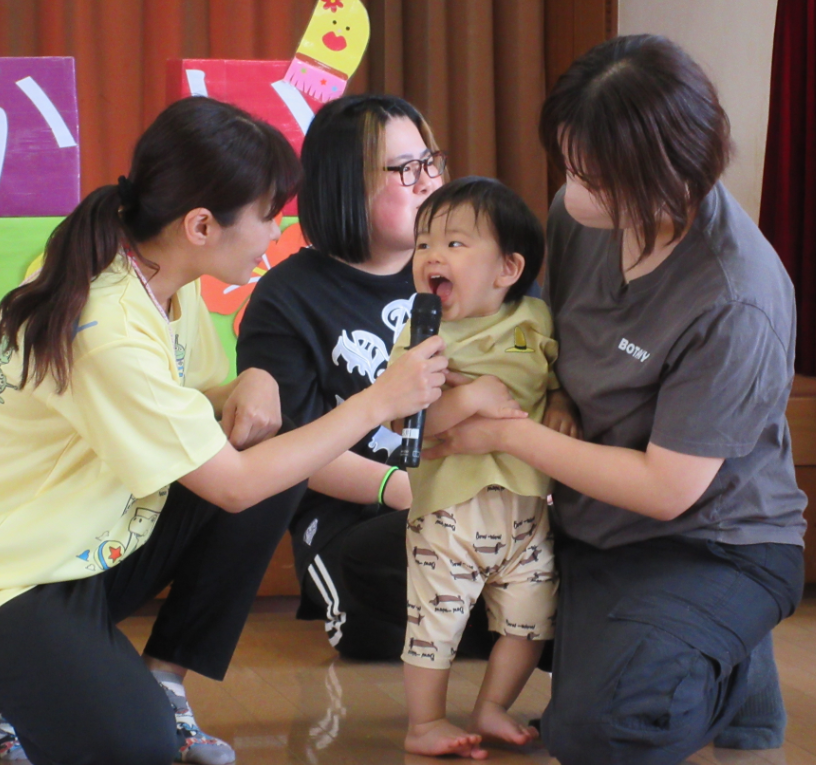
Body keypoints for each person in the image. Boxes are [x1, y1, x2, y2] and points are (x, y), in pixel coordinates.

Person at [0, 96, 446, 765]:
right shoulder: (106, 320)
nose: (277, 231)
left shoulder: (166, 277)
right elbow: (233, 486)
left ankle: (162, 678)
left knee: (275, 450)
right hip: (24, 570)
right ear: (202, 224)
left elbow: (202, 402)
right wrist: (380, 402)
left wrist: (250, 381)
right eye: (268, 215)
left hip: (92, 540)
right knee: (136, 749)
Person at [424, 35, 807, 765]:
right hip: (587, 518)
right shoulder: (582, 218)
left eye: (591, 173)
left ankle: (727, 662)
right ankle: (658, 643)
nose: (571, 187)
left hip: (710, 543)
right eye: (568, 163)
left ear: (665, 172)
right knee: (398, 567)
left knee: (600, 730)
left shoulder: (735, 296)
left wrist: (503, 431)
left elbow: (666, 490)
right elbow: (550, 337)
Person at [238, 94, 457, 660]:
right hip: (355, 523)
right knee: (396, 582)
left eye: (430, 161)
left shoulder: (476, 268)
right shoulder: (287, 297)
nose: (427, 180)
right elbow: (294, 448)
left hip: (472, 501)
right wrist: (406, 491)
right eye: (405, 169)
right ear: (345, 185)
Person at [390, 177, 579, 759]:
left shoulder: (536, 321)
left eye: (454, 243)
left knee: (531, 621)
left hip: (527, 511)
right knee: (434, 627)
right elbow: (404, 423)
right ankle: (423, 722)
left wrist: (564, 405)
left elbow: (554, 381)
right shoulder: (421, 335)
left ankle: (492, 705)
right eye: (423, 244)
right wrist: (469, 399)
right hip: (448, 515)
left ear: (507, 269)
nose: (431, 256)